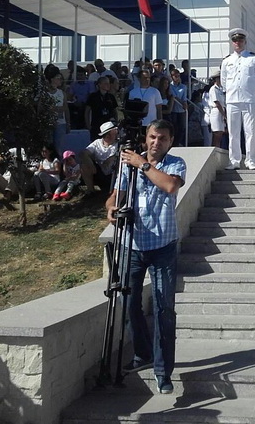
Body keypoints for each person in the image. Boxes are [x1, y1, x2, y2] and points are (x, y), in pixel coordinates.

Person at [105, 119, 186, 395]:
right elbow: (115, 195)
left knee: (164, 309)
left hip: (163, 246)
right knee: (128, 303)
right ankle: (143, 353)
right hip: (133, 244)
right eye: (153, 137)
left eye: (162, 138)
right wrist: (111, 208)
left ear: (170, 141)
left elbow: (170, 187)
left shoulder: (175, 163)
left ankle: (163, 372)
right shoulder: (128, 164)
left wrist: (142, 164)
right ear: (146, 137)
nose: (156, 142)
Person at [220, 28, 255, 170]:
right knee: (233, 132)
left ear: (245, 42)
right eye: (235, 40)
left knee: (250, 131)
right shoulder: (227, 61)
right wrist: (231, 92)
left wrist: (252, 93)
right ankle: (234, 161)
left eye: (240, 40)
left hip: (248, 100)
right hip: (232, 99)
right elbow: (224, 81)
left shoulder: (253, 59)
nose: (237, 43)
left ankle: (251, 160)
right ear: (232, 43)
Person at [80, 121, 119, 194]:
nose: (117, 133)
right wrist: (91, 165)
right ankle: (91, 191)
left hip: (114, 174)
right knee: (84, 165)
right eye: (114, 132)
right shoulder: (97, 143)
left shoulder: (119, 143)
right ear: (108, 135)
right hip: (100, 172)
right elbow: (84, 153)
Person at [206, 73, 227, 147]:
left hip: (221, 111)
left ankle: (217, 149)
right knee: (216, 134)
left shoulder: (220, 89)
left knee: (220, 133)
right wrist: (224, 115)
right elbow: (217, 102)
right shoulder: (213, 89)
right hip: (216, 111)